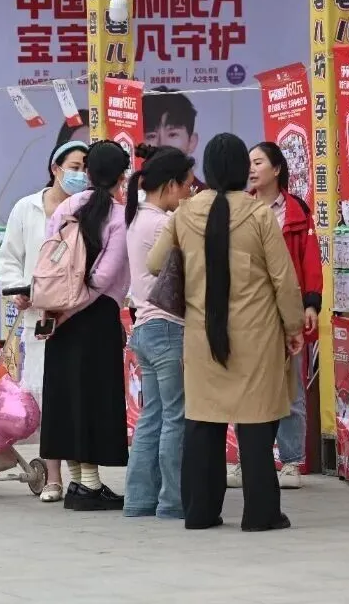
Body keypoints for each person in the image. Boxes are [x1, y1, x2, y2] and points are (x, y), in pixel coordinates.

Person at [148, 133, 305, 532]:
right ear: (240, 170)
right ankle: (261, 514)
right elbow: (283, 279)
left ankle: (200, 512)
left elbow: (154, 263)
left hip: (203, 337)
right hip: (257, 337)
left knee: (203, 424)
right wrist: (292, 327)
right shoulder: (259, 214)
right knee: (255, 426)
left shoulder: (186, 212)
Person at [0, 135, 89, 503]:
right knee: (48, 396)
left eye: (85, 169)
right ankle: (53, 477)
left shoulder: (87, 208)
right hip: (39, 317)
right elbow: (9, 258)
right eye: (75, 167)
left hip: (77, 314)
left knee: (76, 395)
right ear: (55, 169)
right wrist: (16, 290)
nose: (80, 175)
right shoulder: (26, 208)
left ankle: (83, 475)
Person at [225, 142, 322, 491]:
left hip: (287, 313)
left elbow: (310, 261)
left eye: (258, 162)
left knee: (291, 390)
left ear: (277, 168)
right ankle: (247, 461)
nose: (251, 169)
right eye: (248, 163)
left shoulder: (297, 211)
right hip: (249, 313)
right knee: (247, 389)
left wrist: (310, 303)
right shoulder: (240, 207)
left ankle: (292, 462)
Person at [41, 140, 132, 511]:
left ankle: (80, 483)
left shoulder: (66, 207)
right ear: (122, 176)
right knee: (93, 397)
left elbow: (48, 255)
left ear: (90, 173)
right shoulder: (119, 217)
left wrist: (60, 311)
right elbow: (103, 279)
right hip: (96, 317)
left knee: (67, 397)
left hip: (59, 315)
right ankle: (89, 486)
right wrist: (76, 307)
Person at [122, 144, 195, 519]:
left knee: (152, 416)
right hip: (168, 328)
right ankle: (172, 501)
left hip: (145, 327)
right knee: (174, 418)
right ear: (170, 186)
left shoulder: (138, 219)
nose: (189, 194)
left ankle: (138, 499)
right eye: (187, 186)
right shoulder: (163, 224)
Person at [143, 87, 206, 191]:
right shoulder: (128, 193)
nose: (162, 144)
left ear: (191, 142)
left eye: (172, 134)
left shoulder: (205, 196)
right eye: (151, 136)